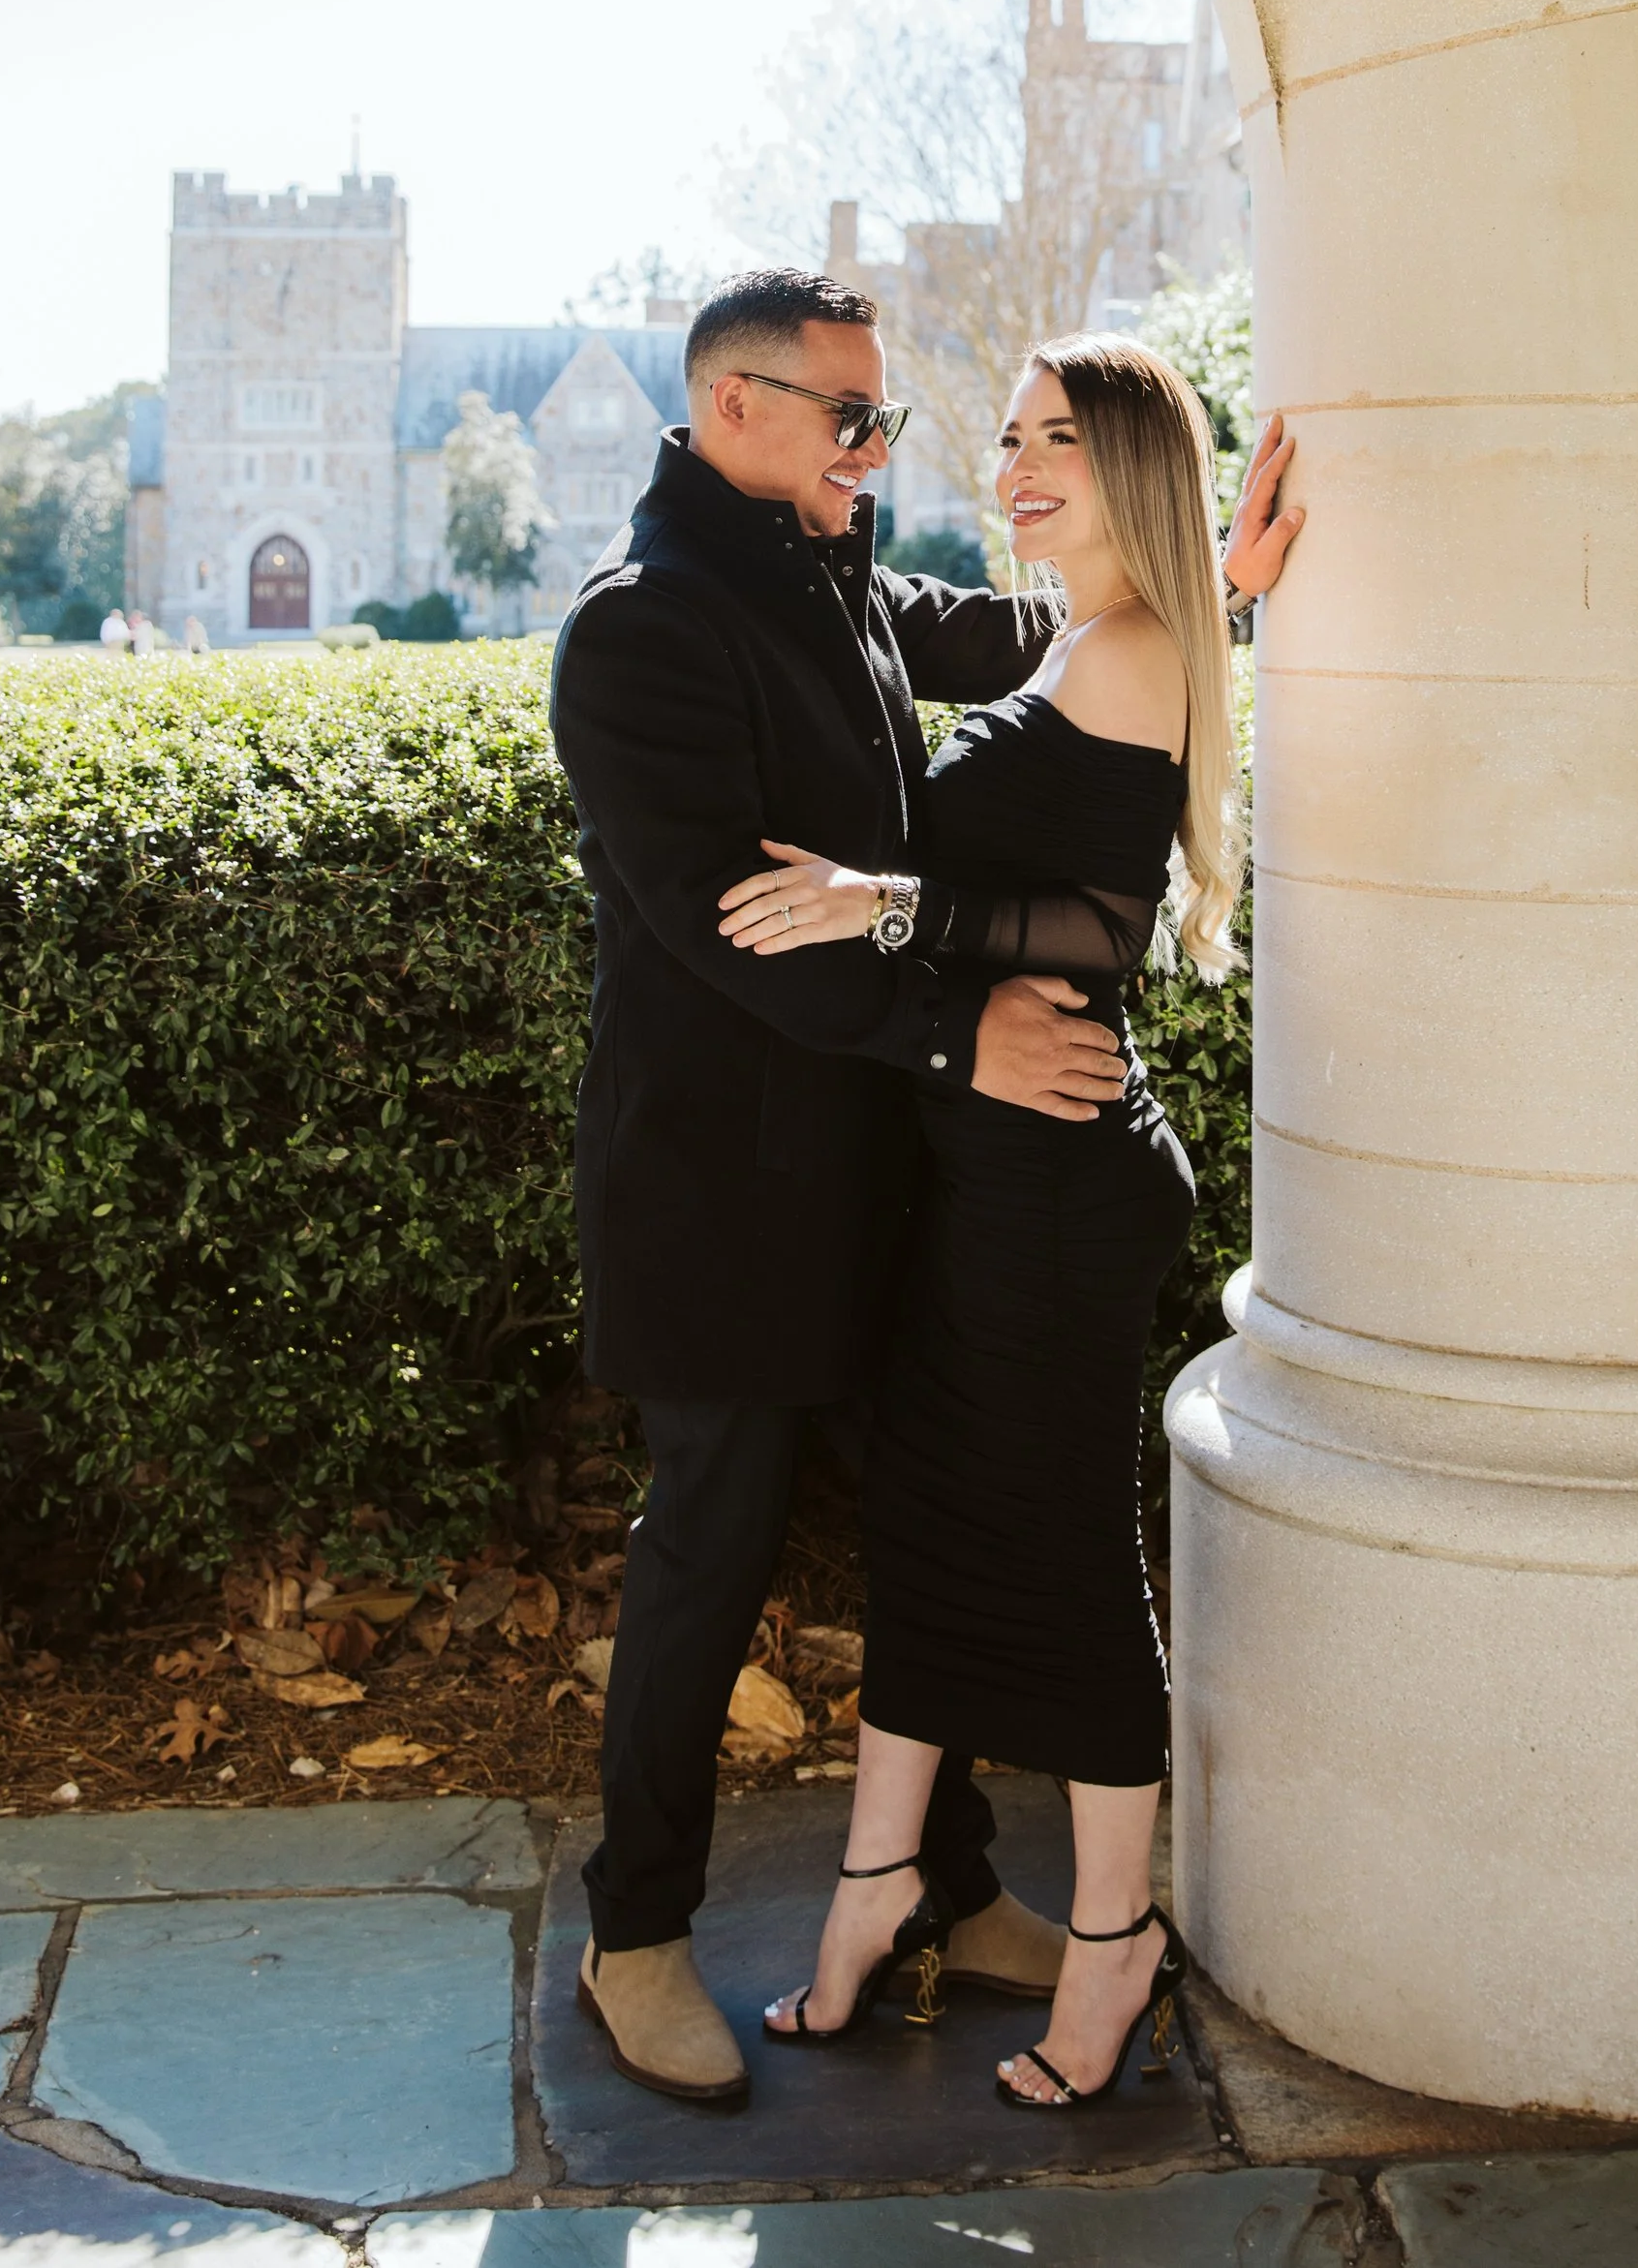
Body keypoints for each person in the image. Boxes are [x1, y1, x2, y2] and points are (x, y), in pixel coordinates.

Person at [549, 269, 1145, 2109]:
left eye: (884, 421)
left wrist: (1209, 578)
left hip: (892, 1185)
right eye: (850, 421)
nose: (879, 455)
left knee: (935, 1528)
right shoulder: (641, 629)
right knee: (707, 1559)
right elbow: (738, 930)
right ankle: (633, 1935)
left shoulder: (835, 573)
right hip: (720, 1203)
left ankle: (949, 1893)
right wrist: (965, 1039)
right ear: (735, 410)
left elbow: (993, 630)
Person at [720, 337, 1300, 2108]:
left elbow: (1090, 926)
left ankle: (1114, 1940)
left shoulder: (1123, 652)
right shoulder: (1105, 630)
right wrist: (1222, 581)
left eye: (1059, 437)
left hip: (1056, 1179)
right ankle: (880, 1888)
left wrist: (867, 903)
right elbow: (1108, 726)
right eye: (1015, 433)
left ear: (1128, 461)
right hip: (990, 1175)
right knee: (934, 1531)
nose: (1017, 457)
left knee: (1057, 1568)